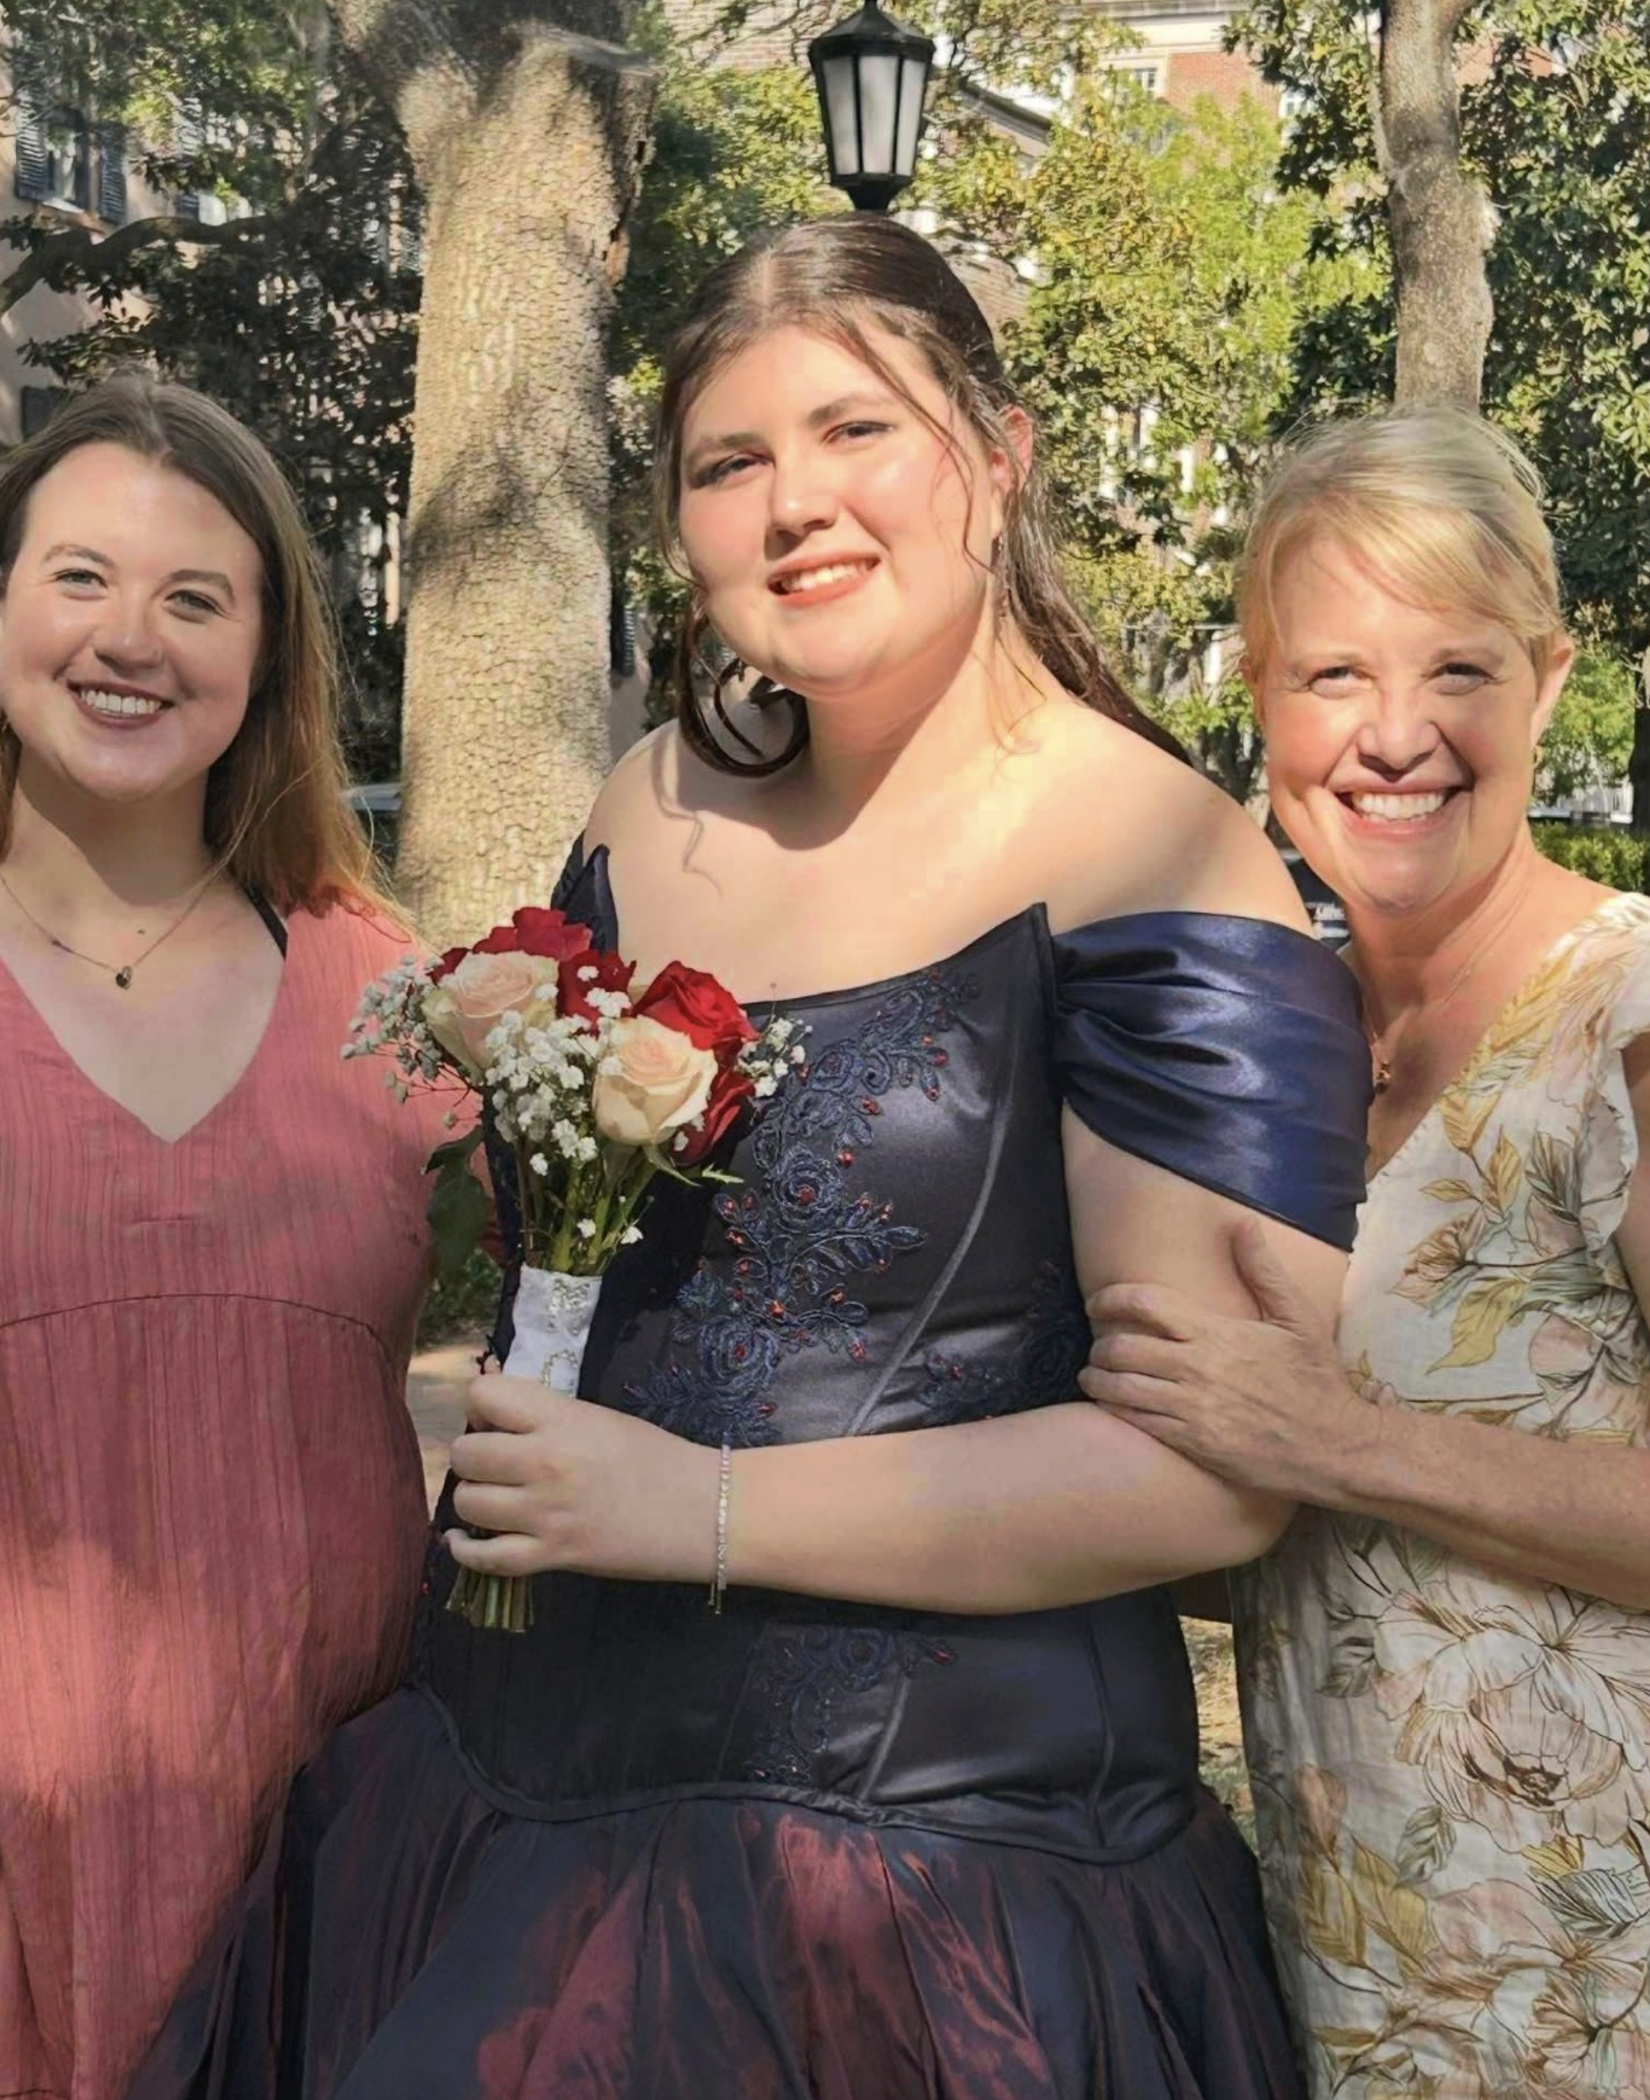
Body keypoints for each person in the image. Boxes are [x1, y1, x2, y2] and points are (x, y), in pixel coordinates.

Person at [137, 217, 1368, 2100]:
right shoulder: (651, 803)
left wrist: (697, 1511)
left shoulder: (1159, 863)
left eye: (854, 429)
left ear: (998, 455)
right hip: (504, 1808)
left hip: (932, 1892)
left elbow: (1209, 1480)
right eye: (730, 462)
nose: (795, 502)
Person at [1082, 407, 1650, 2098]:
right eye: (1331, 674)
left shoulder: (1620, 1017)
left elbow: (1323, 1455)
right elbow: (1299, 1546)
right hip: (1356, 1980)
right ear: (1258, 697)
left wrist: (1341, 1443)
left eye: (1457, 671)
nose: (1393, 737)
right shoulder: (1280, 1055)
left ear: (1546, 686)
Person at [0, 376, 447, 2100]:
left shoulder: (395, 999)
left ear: (266, 660)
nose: (131, 638)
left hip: (333, 1872)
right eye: (80, 577)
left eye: (196, 598)